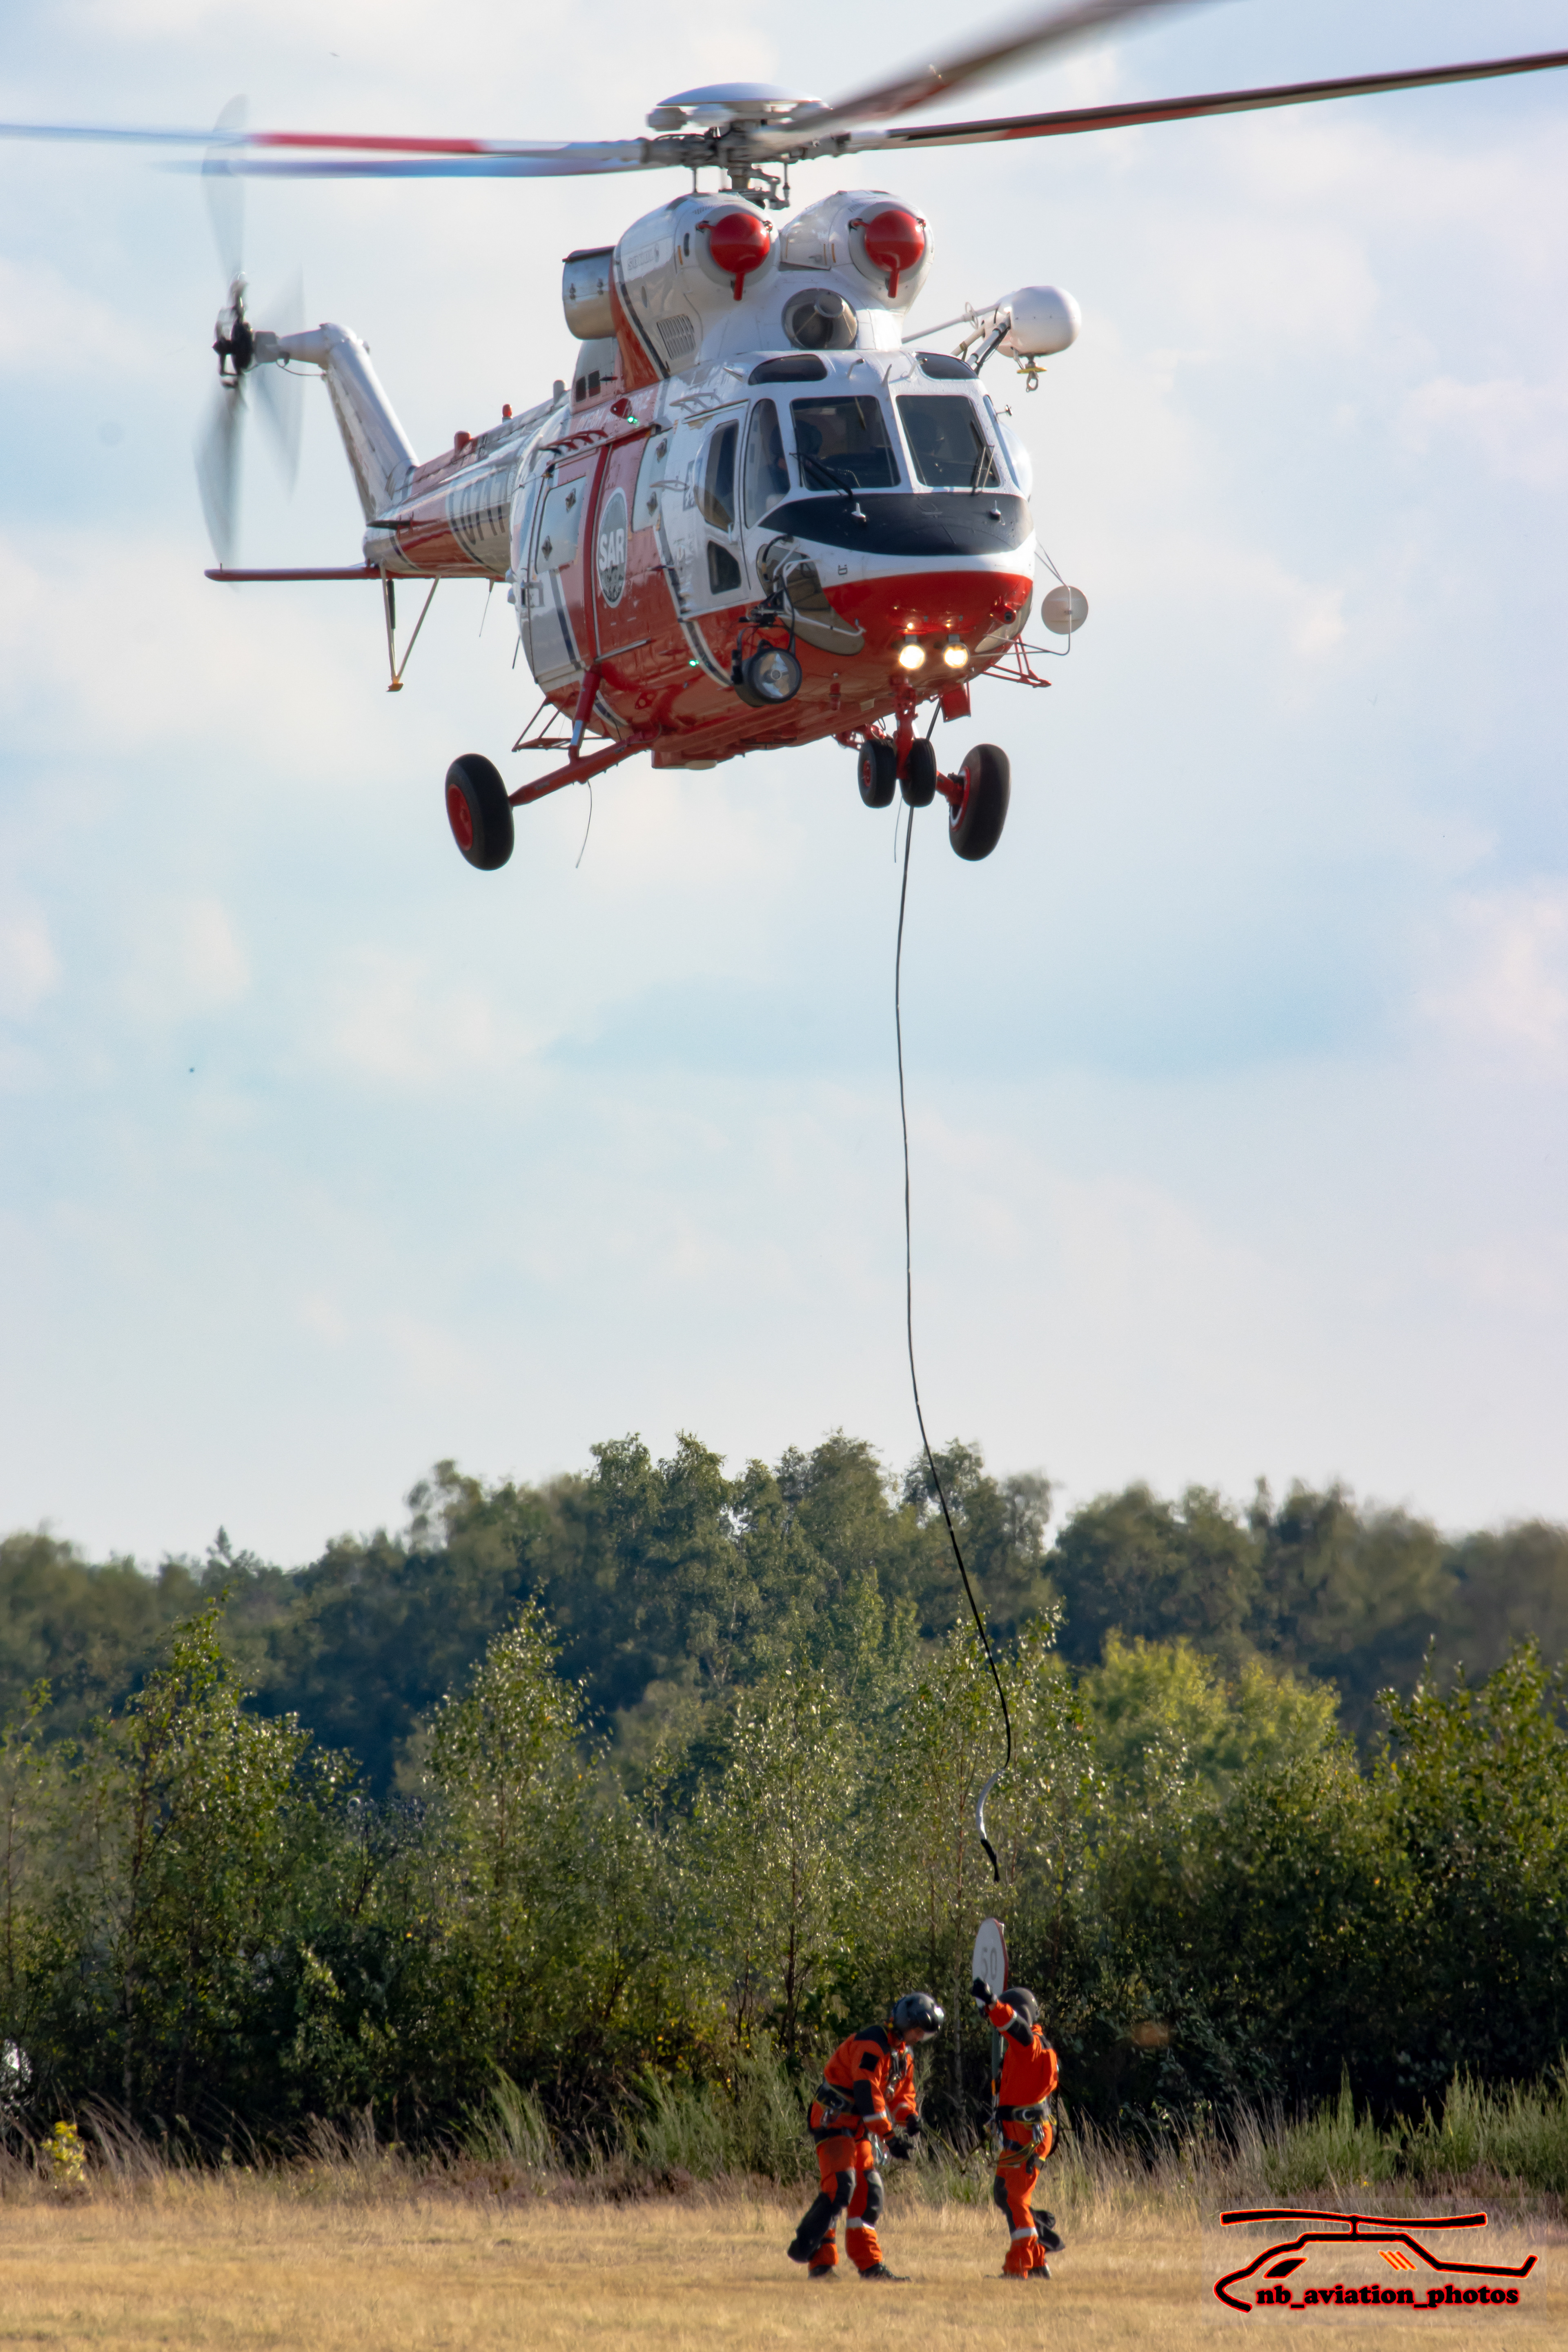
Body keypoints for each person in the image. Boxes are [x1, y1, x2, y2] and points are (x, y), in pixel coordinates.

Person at [786, 1992, 944, 2280]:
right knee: (840, 2188)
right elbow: (868, 2096)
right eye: (917, 2030)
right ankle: (817, 2260)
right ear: (905, 2022)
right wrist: (890, 2138)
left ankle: (870, 2265)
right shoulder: (872, 2045)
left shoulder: (903, 2054)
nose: (919, 2037)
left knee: (868, 2193)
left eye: (924, 2033)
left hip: (858, 2128)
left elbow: (899, 2095)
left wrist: (909, 2117)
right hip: (834, 2121)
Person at [972, 1975, 1064, 2280]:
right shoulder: (1018, 2050)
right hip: (1017, 2134)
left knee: (1015, 2199)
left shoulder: (1030, 2045)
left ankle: (1020, 2267)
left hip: (1029, 2135)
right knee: (1003, 2193)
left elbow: (1017, 2029)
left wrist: (993, 2004)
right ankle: (1038, 2261)